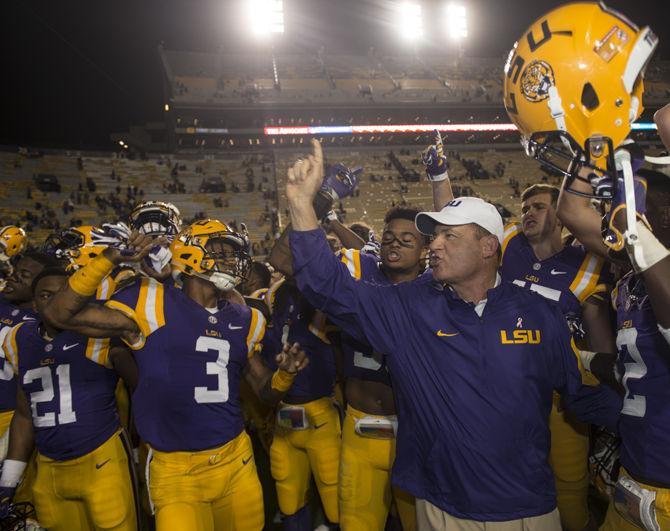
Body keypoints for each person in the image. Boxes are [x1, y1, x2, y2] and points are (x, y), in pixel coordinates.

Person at [283, 138, 621, 530]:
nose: (434, 246)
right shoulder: (409, 307)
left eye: (449, 236)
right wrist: (301, 204)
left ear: (488, 247)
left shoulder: (539, 314)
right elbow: (327, 287)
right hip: (445, 509)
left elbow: (582, 394)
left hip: (528, 507)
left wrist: (644, 436)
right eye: (435, 236)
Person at [504, 2, 670, 529]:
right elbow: (574, 210)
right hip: (637, 481)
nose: (634, 206)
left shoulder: (646, 260)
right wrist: (596, 135)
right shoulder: (636, 268)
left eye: (651, 199)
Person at [40, 221, 309, 531]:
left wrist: (285, 376)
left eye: (234, 253)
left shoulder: (246, 317)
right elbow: (59, 314)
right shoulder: (151, 301)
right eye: (222, 252)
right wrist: (111, 257)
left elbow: (264, 390)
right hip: (175, 471)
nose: (233, 261)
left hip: (237, 461)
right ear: (190, 252)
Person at [500, 184, 617, 529]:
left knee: (569, 487)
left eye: (538, 206)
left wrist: (599, 392)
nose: (527, 214)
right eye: (524, 208)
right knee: (511, 482)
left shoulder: (587, 265)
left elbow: (601, 344)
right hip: (506, 391)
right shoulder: (507, 244)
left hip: (560, 396)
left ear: (561, 217)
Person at [0, 268, 140, 531]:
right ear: (33, 303)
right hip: (49, 467)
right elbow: (24, 413)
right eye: (45, 295)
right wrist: (9, 479)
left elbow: (143, 389)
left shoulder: (99, 336)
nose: (55, 303)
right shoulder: (18, 339)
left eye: (64, 294)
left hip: (101, 459)